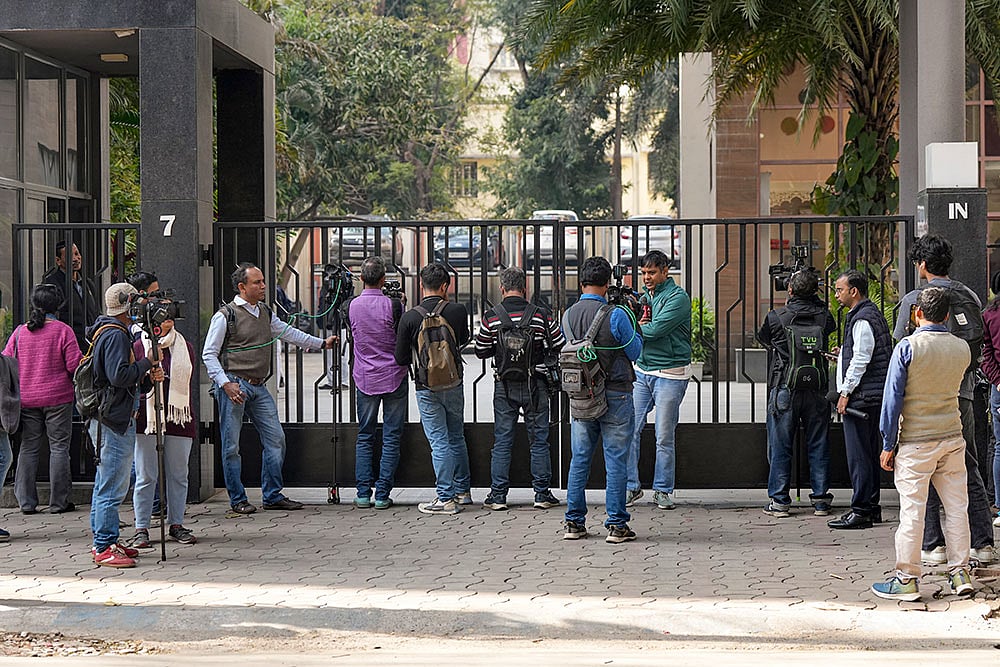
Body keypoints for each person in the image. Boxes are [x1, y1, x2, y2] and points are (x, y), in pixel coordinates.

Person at [202, 263, 337, 515]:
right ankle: (237, 499)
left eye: (263, 281)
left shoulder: (264, 311)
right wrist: (225, 383)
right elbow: (209, 354)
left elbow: (288, 332)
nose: (263, 286)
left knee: (276, 439)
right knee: (231, 446)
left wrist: (321, 343)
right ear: (242, 287)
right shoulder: (225, 315)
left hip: (258, 385)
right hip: (235, 385)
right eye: (257, 282)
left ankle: (272, 495)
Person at [893, 235, 995, 565]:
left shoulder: (914, 300)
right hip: (963, 394)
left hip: (922, 402)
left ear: (922, 265)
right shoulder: (970, 296)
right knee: (968, 466)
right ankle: (983, 542)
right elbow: (980, 346)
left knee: (923, 471)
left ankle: (933, 545)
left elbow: (901, 349)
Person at [871, 287, 975, 601]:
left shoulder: (907, 348)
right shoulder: (962, 348)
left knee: (912, 513)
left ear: (917, 313)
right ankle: (960, 573)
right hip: (952, 438)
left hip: (915, 442)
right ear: (947, 315)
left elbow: (892, 400)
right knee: (957, 509)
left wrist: (888, 443)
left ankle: (907, 579)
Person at [561, 256, 643, 543]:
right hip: (616, 393)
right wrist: (634, 319)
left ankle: (574, 523)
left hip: (583, 395)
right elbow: (635, 352)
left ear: (581, 282)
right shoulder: (617, 314)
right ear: (607, 283)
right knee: (616, 460)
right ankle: (617, 525)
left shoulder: (568, 315)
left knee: (579, 459)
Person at [474, 266, 565, 511]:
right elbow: (559, 343)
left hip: (504, 385)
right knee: (539, 440)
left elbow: (480, 350)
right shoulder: (541, 315)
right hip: (536, 384)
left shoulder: (492, 317)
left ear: (502, 288)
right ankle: (542, 494)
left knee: (503, 440)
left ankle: (498, 496)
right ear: (525, 288)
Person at [88, 282, 164, 568]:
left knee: (105, 483)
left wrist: (145, 376)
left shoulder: (108, 331)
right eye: (138, 301)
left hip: (111, 417)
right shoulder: (116, 335)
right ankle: (104, 545)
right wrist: (147, 363)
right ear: (127, 303)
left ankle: (105, 540)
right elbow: (119, 376)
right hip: (113, 420)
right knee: (112, 486)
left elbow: (123, 379)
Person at [756, 268, 836, 518]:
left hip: (785, 386)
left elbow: (763, 338)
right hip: (817, 388)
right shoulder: (824, 316)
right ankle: (821, 500)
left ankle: (780, 501)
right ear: (815, 291)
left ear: (789, 289)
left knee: (780, 445)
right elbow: (829, 328)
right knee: (819, 443)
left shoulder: (776, 317)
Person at [394, 262, 472, 515]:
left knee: (439, 441)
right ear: (445, 286)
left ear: (420, 285)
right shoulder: (458, 310)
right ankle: (463, 491)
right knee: (456, 436)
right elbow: (464, 339)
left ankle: (445, 498)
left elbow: (400, 358)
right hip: (454, 381)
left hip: (426, 385)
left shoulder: (410, 317)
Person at [2, 284, 82, 514]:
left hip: (27, 399)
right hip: (58, 398)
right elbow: (74, 365)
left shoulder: (20, 332)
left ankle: (26, 502)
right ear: (58, 305)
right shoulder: (63, 331)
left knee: (28, 447)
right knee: (59, 448)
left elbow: (7, 360)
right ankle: (59, 502)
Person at [127, 310, 199, 548]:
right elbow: (131, 378)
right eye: (160, 315)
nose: (166, 320)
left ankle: (176, 523)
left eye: (170, 315)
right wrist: (148, 373)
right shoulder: (139, 346)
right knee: (146, 475)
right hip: (147, 420)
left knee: (179, 474)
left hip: (178, 416)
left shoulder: (184, 346)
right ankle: (141, 527)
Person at [626, 250, 691, 510]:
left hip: (671, 373)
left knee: (663, 436)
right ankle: (632, 486)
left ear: (666, 271)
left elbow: (657, 330)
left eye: (652, 272)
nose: (647, 277)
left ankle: (662, 490)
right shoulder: (644, 298)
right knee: (630, 430)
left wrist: (634, 327)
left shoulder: (678, 298)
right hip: (643, 371)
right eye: (643, 273)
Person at [827, 270, 892, 530]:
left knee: (859, 456)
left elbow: (862, 359)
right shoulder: (869, 314)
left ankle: (861, 510)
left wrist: (845, 393)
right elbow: (863, 352)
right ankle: (871, 507)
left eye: (839, 289)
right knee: (868, 452)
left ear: (854, 291)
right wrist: (843, 353)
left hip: (862, 397)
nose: (836, 294)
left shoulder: (862, 318)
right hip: (872, 395)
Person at [347, 256, 408, 510]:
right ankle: (383, 494)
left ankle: (363, 493)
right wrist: (402, 304)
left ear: (361, 278)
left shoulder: (351, 306)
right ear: (384, 279)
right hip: (394, 375)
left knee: (365, 435)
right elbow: (402, 335)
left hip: (365, 377)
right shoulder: (394, 305)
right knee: (391, 436)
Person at [41, 240, 101, 351]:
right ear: (58, 261)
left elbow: (97, 311)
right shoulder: (52, 284)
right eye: (69, 256)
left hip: (92, 343)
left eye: (77, 254)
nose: (75, 259)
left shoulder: (87, 283)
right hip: (68, 343)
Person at [981, 270, 1000, 528]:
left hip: (999, 387)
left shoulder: (989, 315)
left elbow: (986, 354)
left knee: (999, 446)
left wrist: (997, 381)